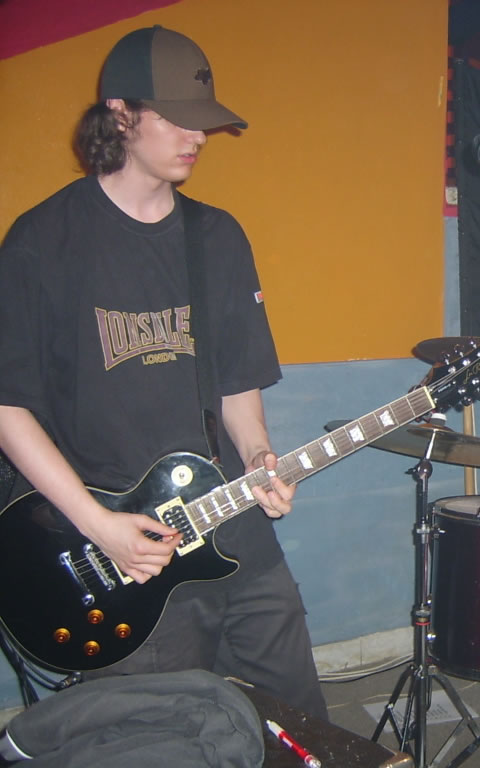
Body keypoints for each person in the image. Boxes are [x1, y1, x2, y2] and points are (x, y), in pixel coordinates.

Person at [0, 26, 326, 718]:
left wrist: (259, 455)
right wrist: (97, 524)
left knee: (301, 728)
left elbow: (237, 385)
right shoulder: (42, 241)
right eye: (177, 118)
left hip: (234, 532)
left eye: (202, 121)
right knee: (159, 737)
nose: (197, 136)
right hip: (124, 556)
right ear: (121, 114)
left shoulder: (218, 237)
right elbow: (7, 406)